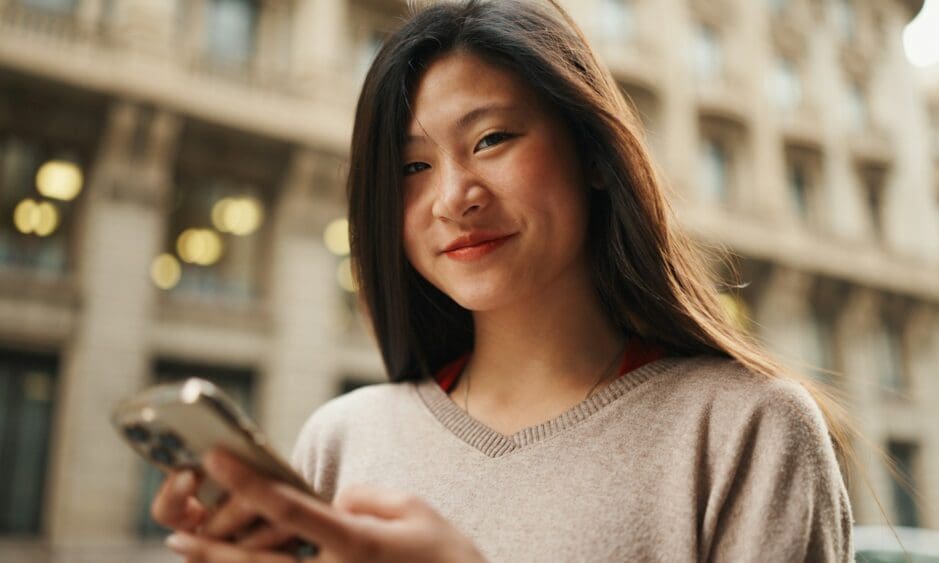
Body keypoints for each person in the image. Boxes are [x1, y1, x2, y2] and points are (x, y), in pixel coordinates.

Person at [153, 1, 854, 561]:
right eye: (412, 168)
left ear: (595, 155)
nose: (453, 197)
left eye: (491, 139)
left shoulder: (746, 429)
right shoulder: (343, 438)